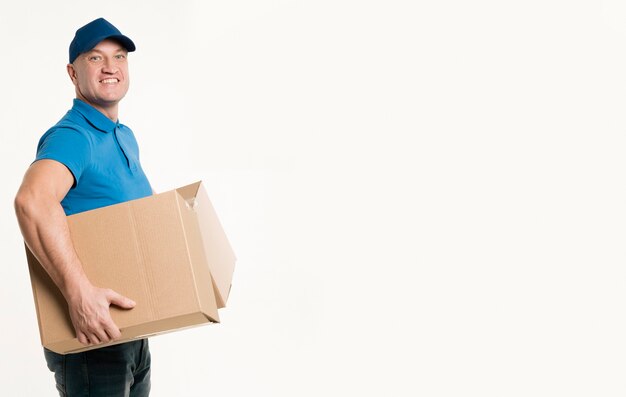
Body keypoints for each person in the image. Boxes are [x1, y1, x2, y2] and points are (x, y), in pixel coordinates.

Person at [14, 18, 153, 396]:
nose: (111, 67)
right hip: (92, 337)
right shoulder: (74, 135)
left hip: (132, 331)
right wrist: (79, 295)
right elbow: (32, 201)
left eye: (119, 56)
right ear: (73, 72)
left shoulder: (122, 134)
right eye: (96, 57)